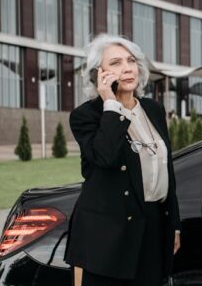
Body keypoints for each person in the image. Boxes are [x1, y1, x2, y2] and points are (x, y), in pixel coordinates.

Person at [65, 34, 181, 286]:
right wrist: (110, 104)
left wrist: (174, 224)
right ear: (100, 73)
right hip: (108, 235)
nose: (127, 68)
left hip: (151, 225)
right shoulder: (86, 116)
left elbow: (166, 169)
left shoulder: (153, 109)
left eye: (131, 60)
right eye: (116, 63)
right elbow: (104, 156)